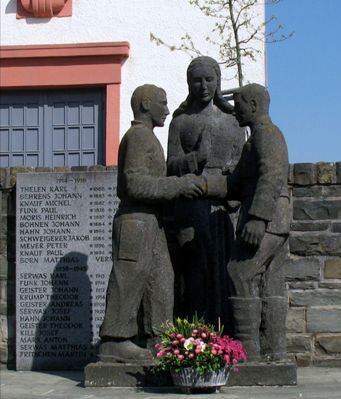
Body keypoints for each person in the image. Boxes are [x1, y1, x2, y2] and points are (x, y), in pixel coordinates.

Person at [98, 84, 206, 363]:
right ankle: (115, 340)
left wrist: (186, 170)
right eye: (162, 103)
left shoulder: (146, 138)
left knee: (161, 280)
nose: (168, 110)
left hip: (151, 221)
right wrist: (178, 185)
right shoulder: (138, 137)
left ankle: (160, 339)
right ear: (146, 105)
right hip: (135, 219)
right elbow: (133, 185)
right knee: (129, 278)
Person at [205, 83, 291, 361]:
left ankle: (249, 352)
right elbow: (235, 183)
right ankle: (274, 352)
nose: (236, 110)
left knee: (239, 272)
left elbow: (272, 175)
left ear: (253, 105)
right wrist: (198, 185)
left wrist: (257, 218)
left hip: (268, 218)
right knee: (270, 283)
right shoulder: (256, 137)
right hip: (273, 219)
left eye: (240, 105)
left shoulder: (267, 135)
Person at [167, 56, 246, 331]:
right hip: (191, 205)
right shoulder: (180, 122)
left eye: (209, 80)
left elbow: (242, 165)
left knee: (223, 273)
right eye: (197, 80)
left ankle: (226, 337)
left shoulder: (233, 121)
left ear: (217, 81)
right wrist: (193, 159)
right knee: (194, 275)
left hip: (223, 208)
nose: (203, 86)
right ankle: (193, 338)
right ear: (189, 83)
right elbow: (171, 166)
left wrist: (229, 178)